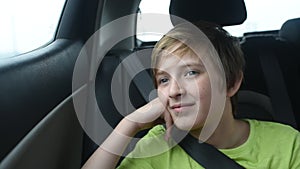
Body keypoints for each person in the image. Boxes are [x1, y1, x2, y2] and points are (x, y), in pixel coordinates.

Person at [82, 21, 300, 169]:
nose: (175, 90)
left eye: (191, 72)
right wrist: (129, 124)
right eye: (163, 80)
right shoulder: (157, 147)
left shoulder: (287, 143)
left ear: (231, 83)